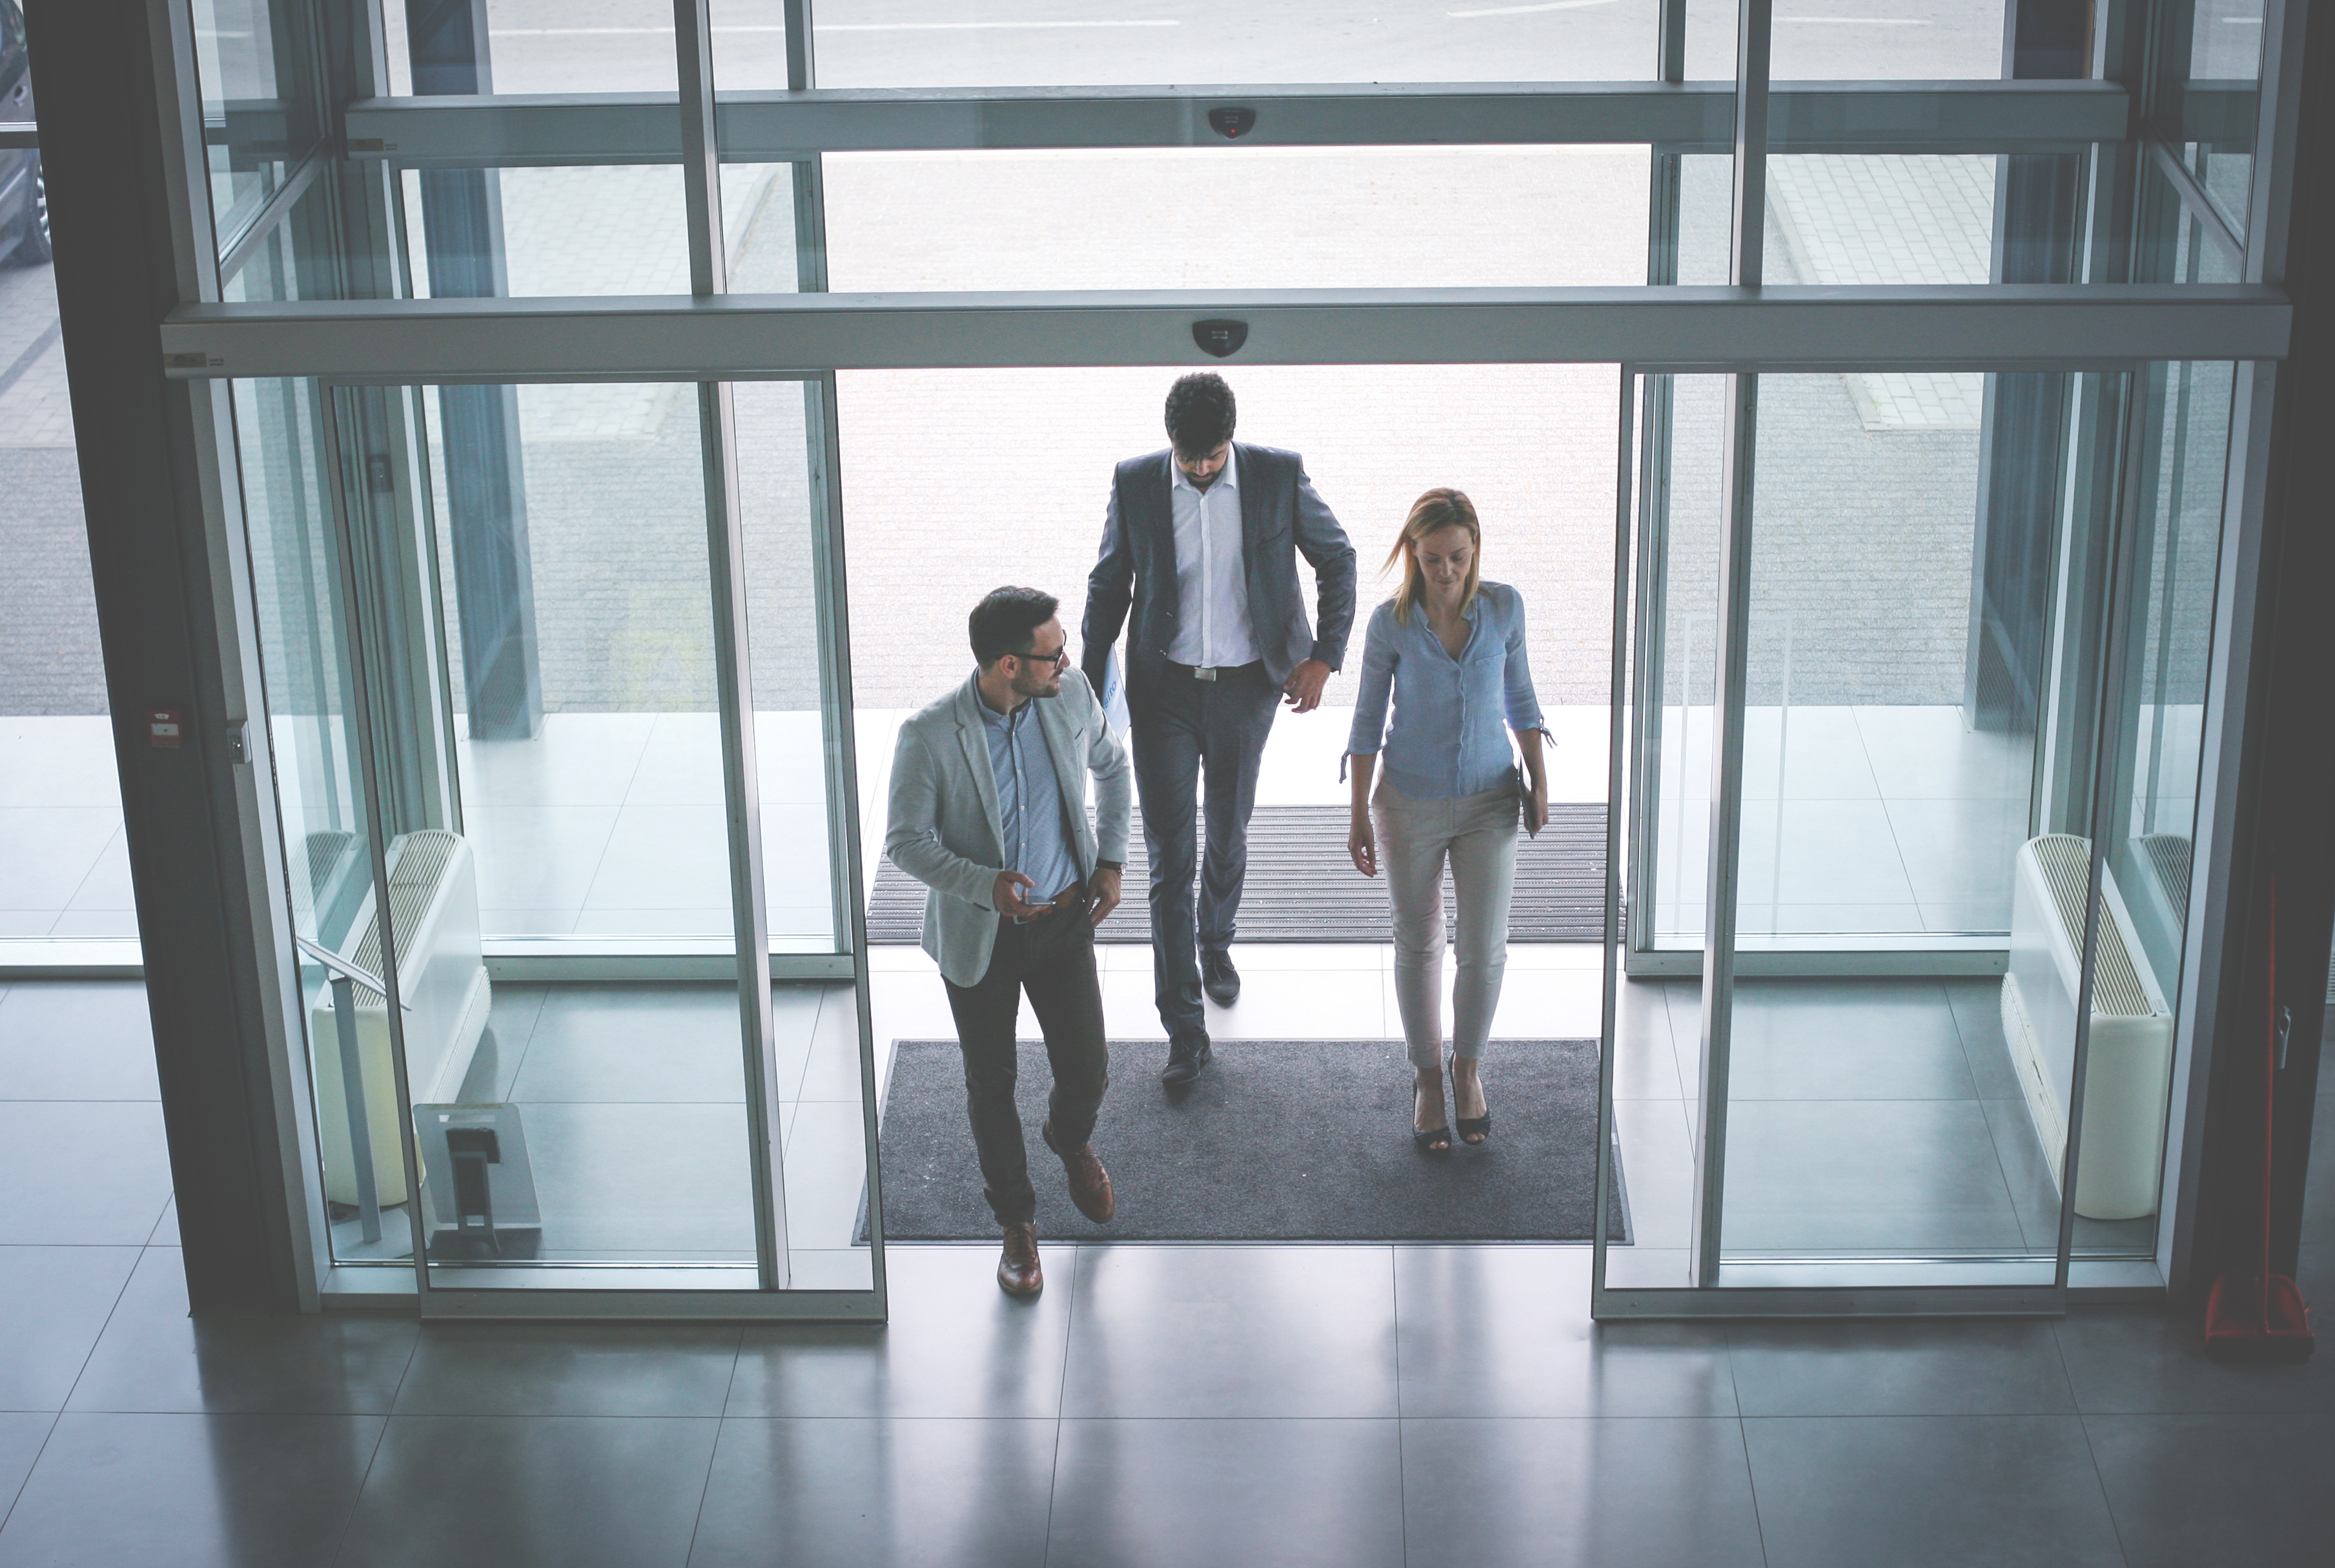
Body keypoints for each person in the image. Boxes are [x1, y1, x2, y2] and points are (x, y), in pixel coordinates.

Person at [1082, 372, 1358, 1086]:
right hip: (1163, 690)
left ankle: (1216, 941)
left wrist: (1323, 657)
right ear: (1169, 441)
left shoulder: (1277, 474)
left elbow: (1337, 558)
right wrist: (1086, 687)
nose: (1199, 469)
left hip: (1246, 687)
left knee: (1227, 832)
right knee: (1170, 853)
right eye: (1187, 456)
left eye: (1210, 457)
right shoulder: (1136, 480)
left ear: (1230, 439)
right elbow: (1108, 585)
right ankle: (1183, 1027)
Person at [884, 587, 1131, 1296]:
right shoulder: (929, 733)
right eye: (1051, 653)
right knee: (990, 1085)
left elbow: (1113, 769)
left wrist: (1110, 861)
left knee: (1086, 1069)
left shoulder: (1070, 693)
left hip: (1061, 920)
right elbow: (904, 841)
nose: (1066, 662)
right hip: (980, 934)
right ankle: (1016, 1223)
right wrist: (981, 883)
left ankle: (1068, 1137)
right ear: (1006, 664)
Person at [1344, 490, 1550, 1154]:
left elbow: (1519, 696)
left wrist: (1538, 778)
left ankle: (1468, 1069)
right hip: (1408, 801)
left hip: (1491, 797)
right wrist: (1357, 815)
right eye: (1431, 558)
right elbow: (1367, 723)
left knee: (1484, 944)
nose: (1446, 571)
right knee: (1417, 939)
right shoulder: (1390, 623)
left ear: (1475, 549)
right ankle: (1427, 1076)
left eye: (1457, 556)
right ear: (1412, 554)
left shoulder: (1503, 608)